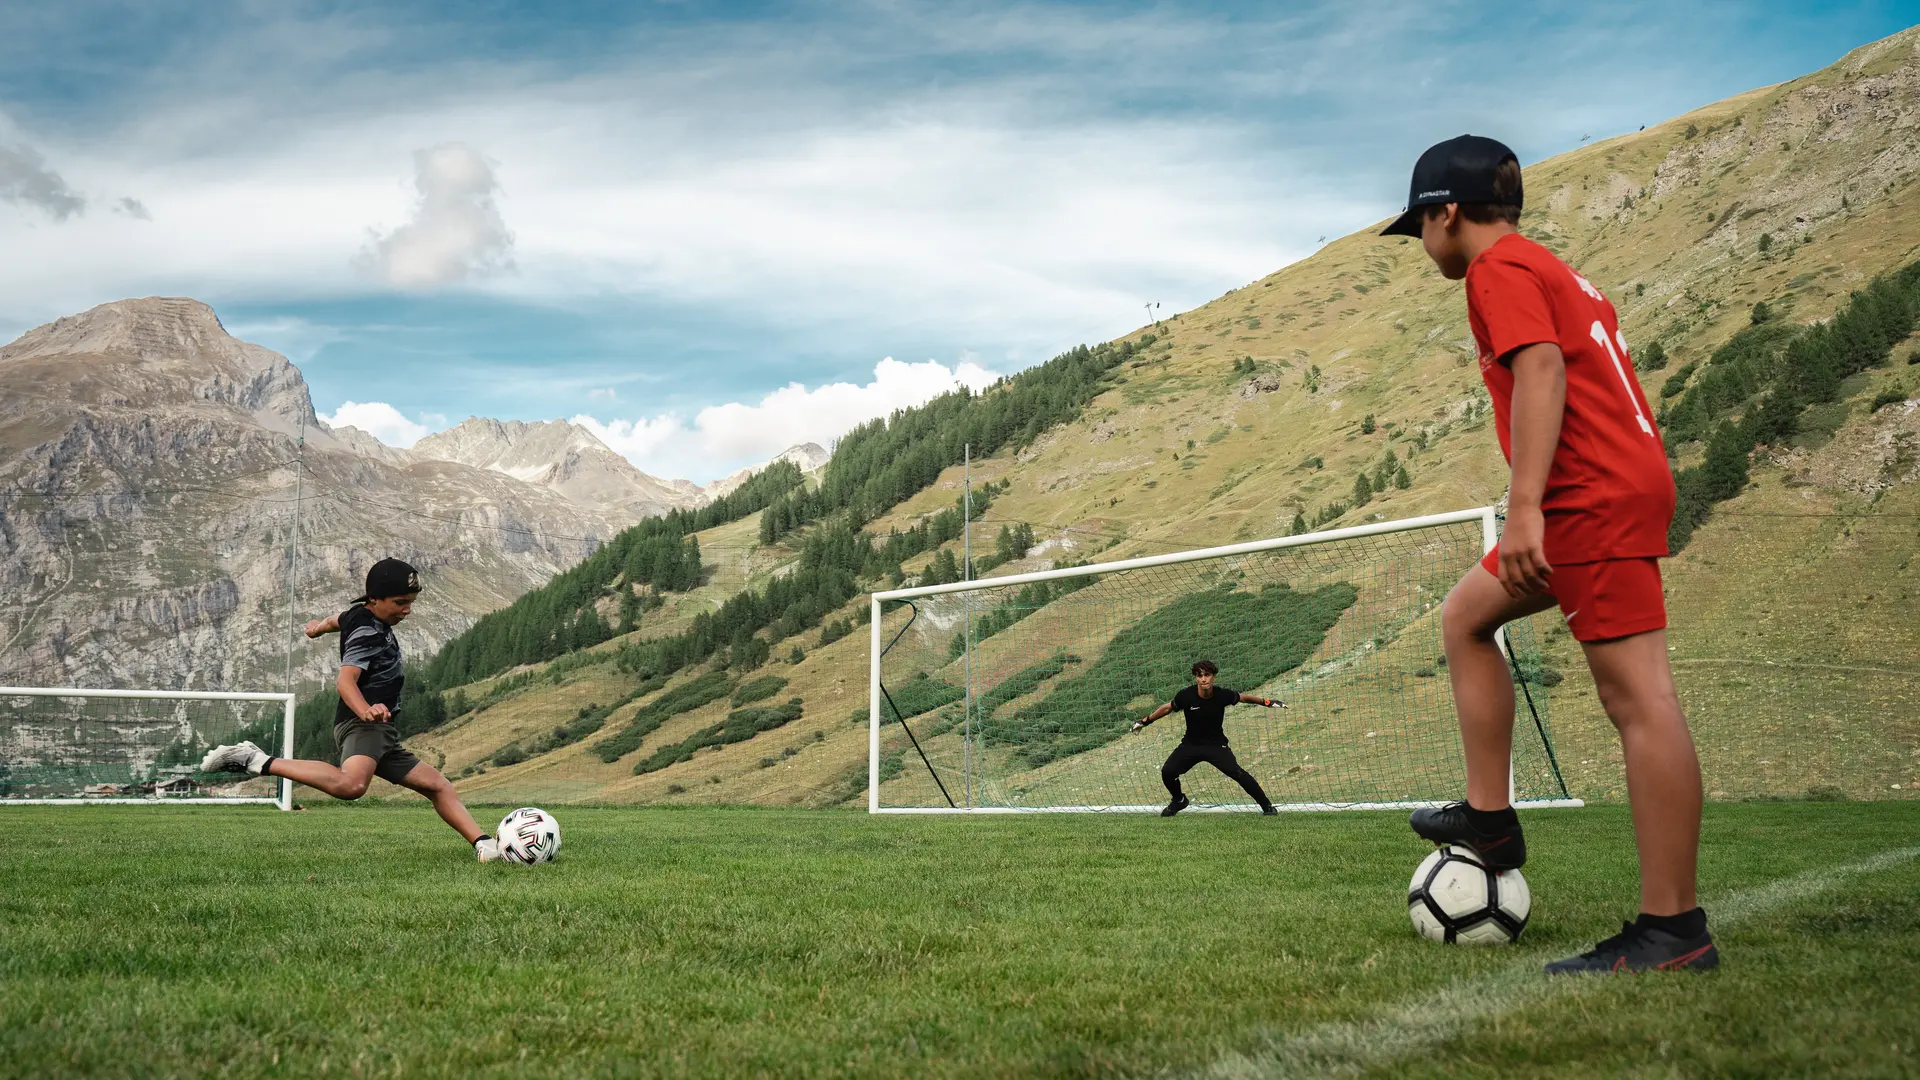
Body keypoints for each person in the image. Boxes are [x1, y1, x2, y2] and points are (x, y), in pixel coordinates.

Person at [1380, 135, 1714, 973]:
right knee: (1467, 617)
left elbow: (1541, 370)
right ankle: (1490, 820)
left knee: (1640, 699)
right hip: (1606, 486)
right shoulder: (1546, 265)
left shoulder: (1498, 273)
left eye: (1418, 228)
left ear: (1444, 212)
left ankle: (1673, 930)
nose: (1421, 246)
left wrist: (1524, 504)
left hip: (1588, 496)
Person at [202, 558, 501, 862]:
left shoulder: (357, 616)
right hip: (364, 724)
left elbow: (337, 619)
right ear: (374, 599)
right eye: (400, 602)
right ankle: (255, 759)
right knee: (351, 785)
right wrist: (365, 711)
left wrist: (317, 629)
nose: (407, 609)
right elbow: (345, 681)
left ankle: (484, 845)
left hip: (380, 730)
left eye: (411, 602)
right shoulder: (367, 633)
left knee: (437, 785)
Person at [1131, 660, 1285, 816]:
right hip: (1191, 744)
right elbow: (1168, 708)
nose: (1203, 679)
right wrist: (1145, 721)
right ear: (1196, 678)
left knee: (1238, 773)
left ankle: (1267, 807)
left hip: (1216, 746)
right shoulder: (1186, 695)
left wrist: (1267, 702)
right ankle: (1179, 800)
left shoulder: (1222, 695)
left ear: (1213, 677)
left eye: (1207, 675)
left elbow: (1244, 698)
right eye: (1199, 675)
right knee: (1168, 771)